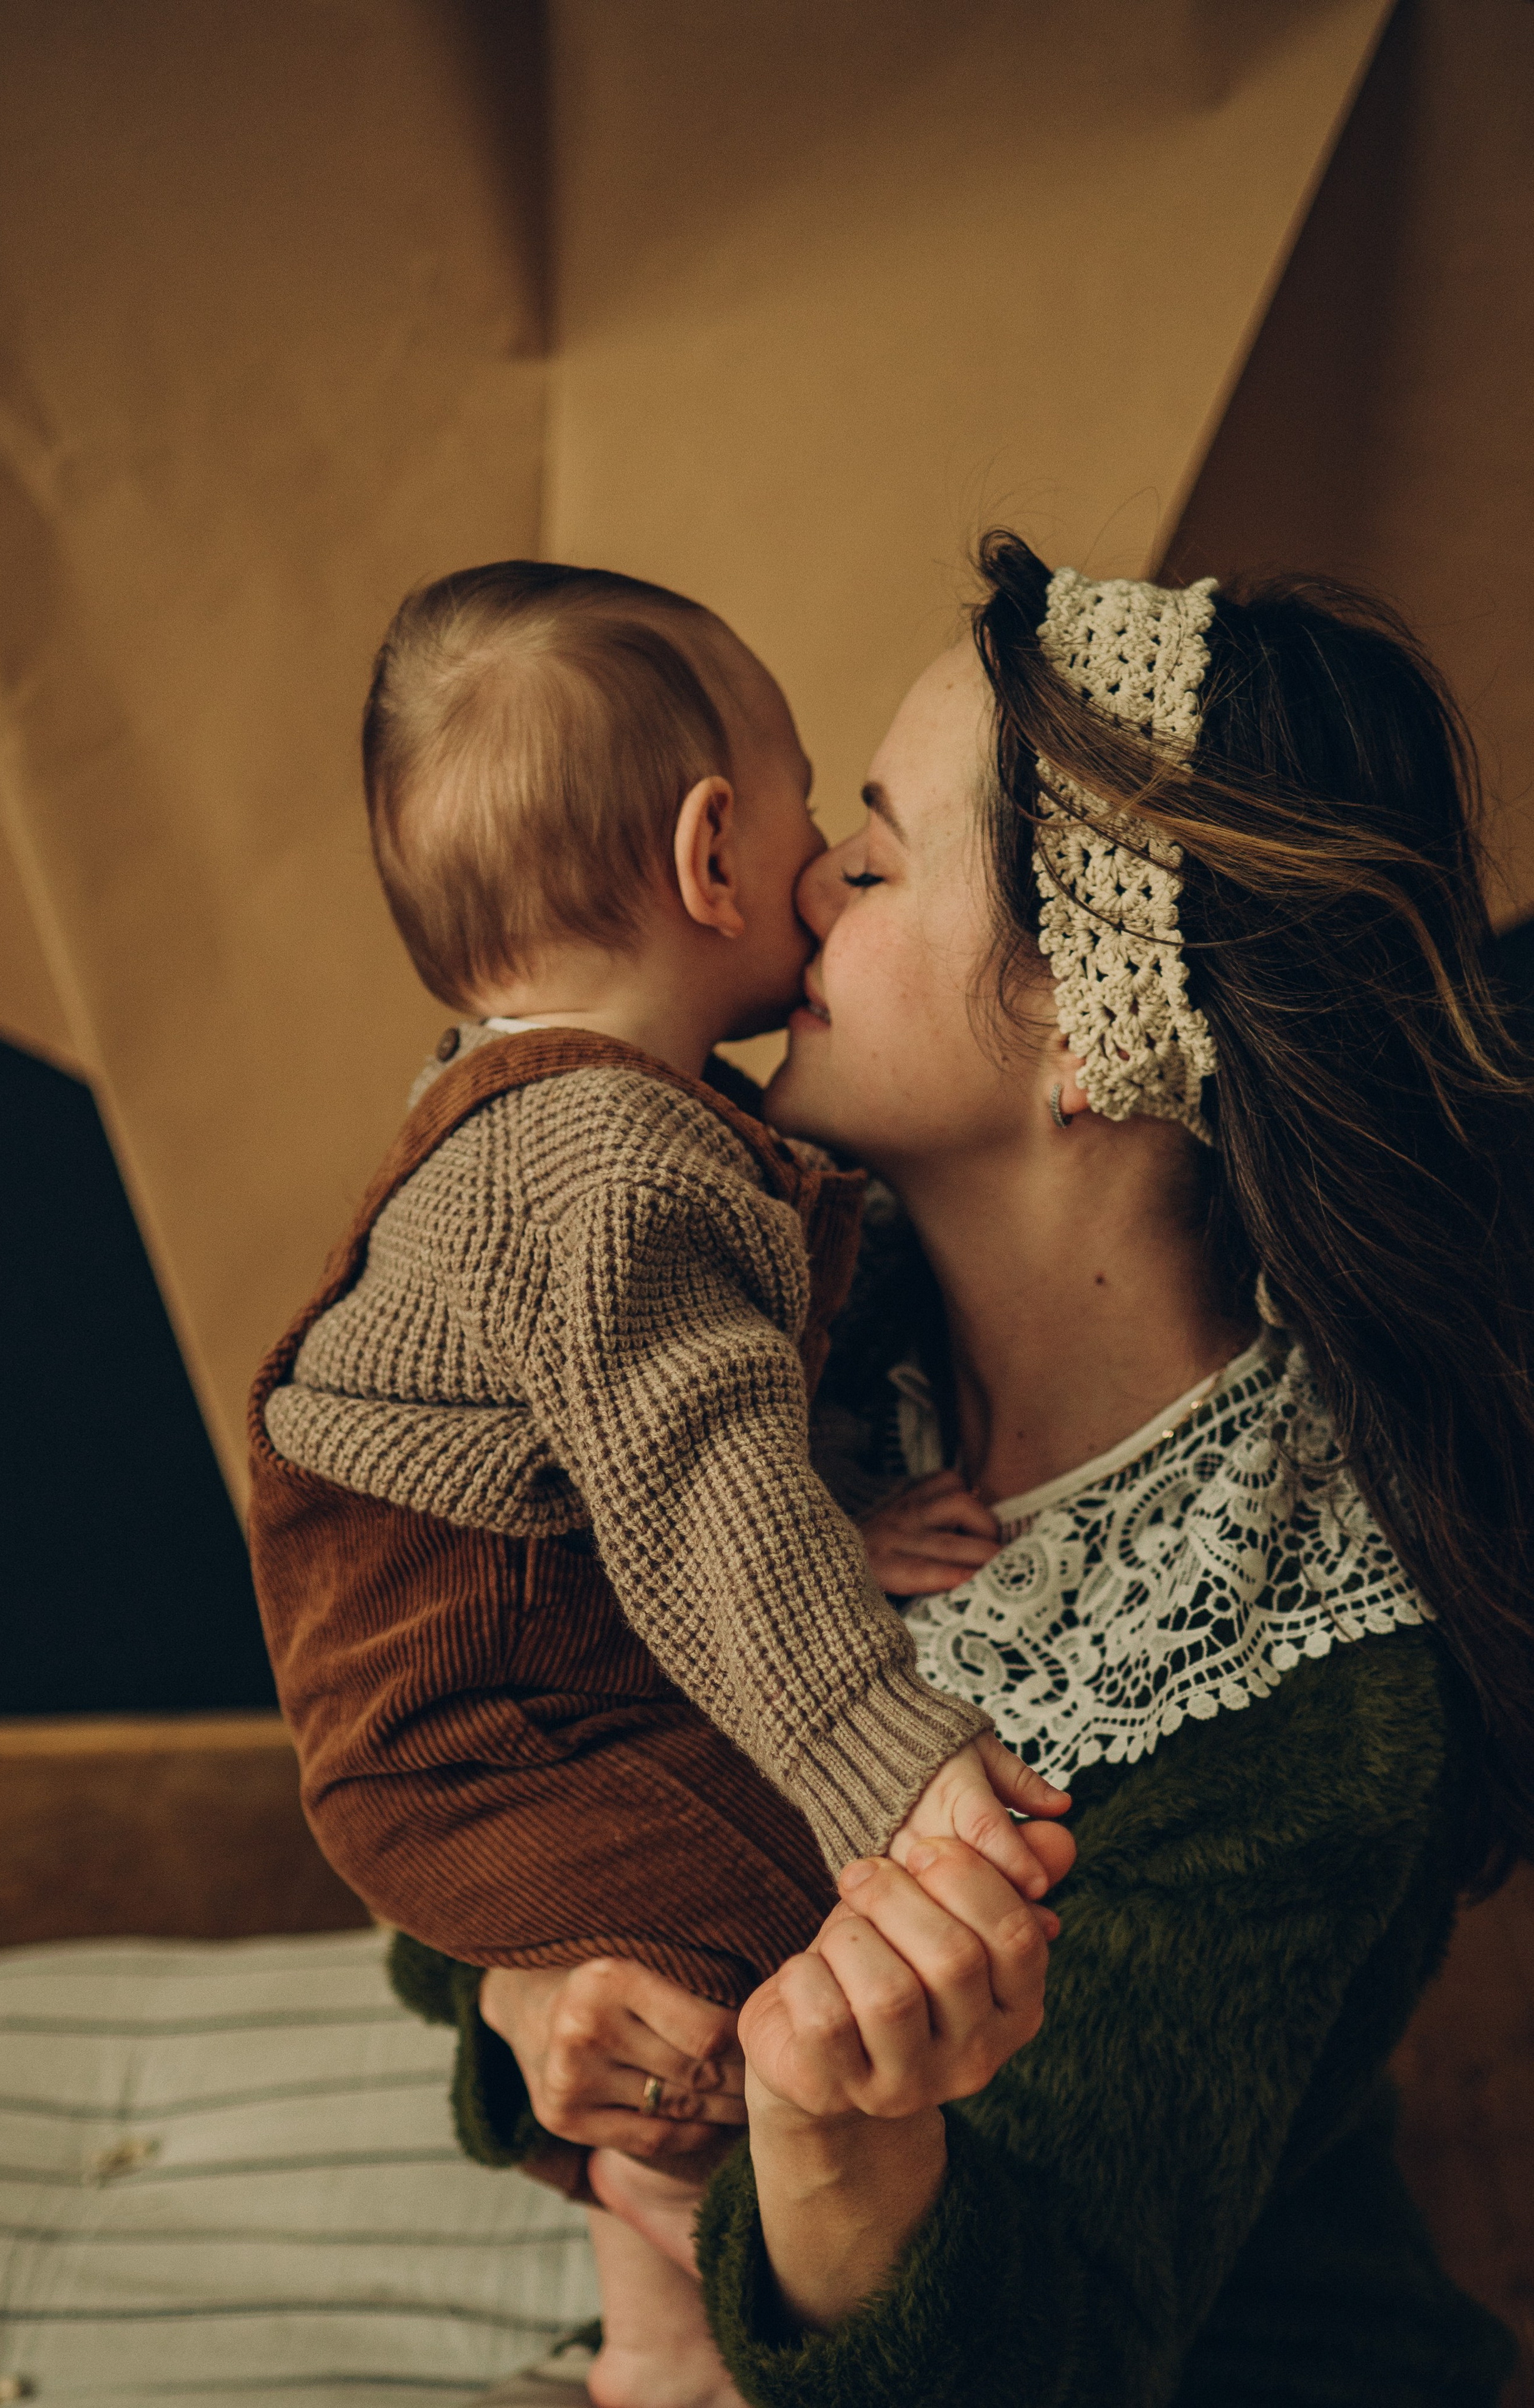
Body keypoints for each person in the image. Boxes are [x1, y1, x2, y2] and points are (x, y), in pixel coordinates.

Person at [465, 540, 1532, 2405]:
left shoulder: (1307, 1692)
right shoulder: (782, 1337)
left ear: (1087, 1033)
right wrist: (538, 1999)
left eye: (872, 859)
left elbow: (1036, 2360)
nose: (794, 888)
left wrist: (826, 2150)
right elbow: (464, 1713)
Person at [247, 561, 1075, 2408]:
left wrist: (836, 1527)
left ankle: (656, 2301)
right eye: (822, 830)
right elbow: (693, 1492)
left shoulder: (552, 1115)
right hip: (477, 1707)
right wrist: (892, 1752)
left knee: (750, 1950)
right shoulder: (600, 1158)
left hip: (519, 1656)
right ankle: (668, 2350)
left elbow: (635, 1462)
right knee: (794, 1935)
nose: (833, 876)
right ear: (716, 857)